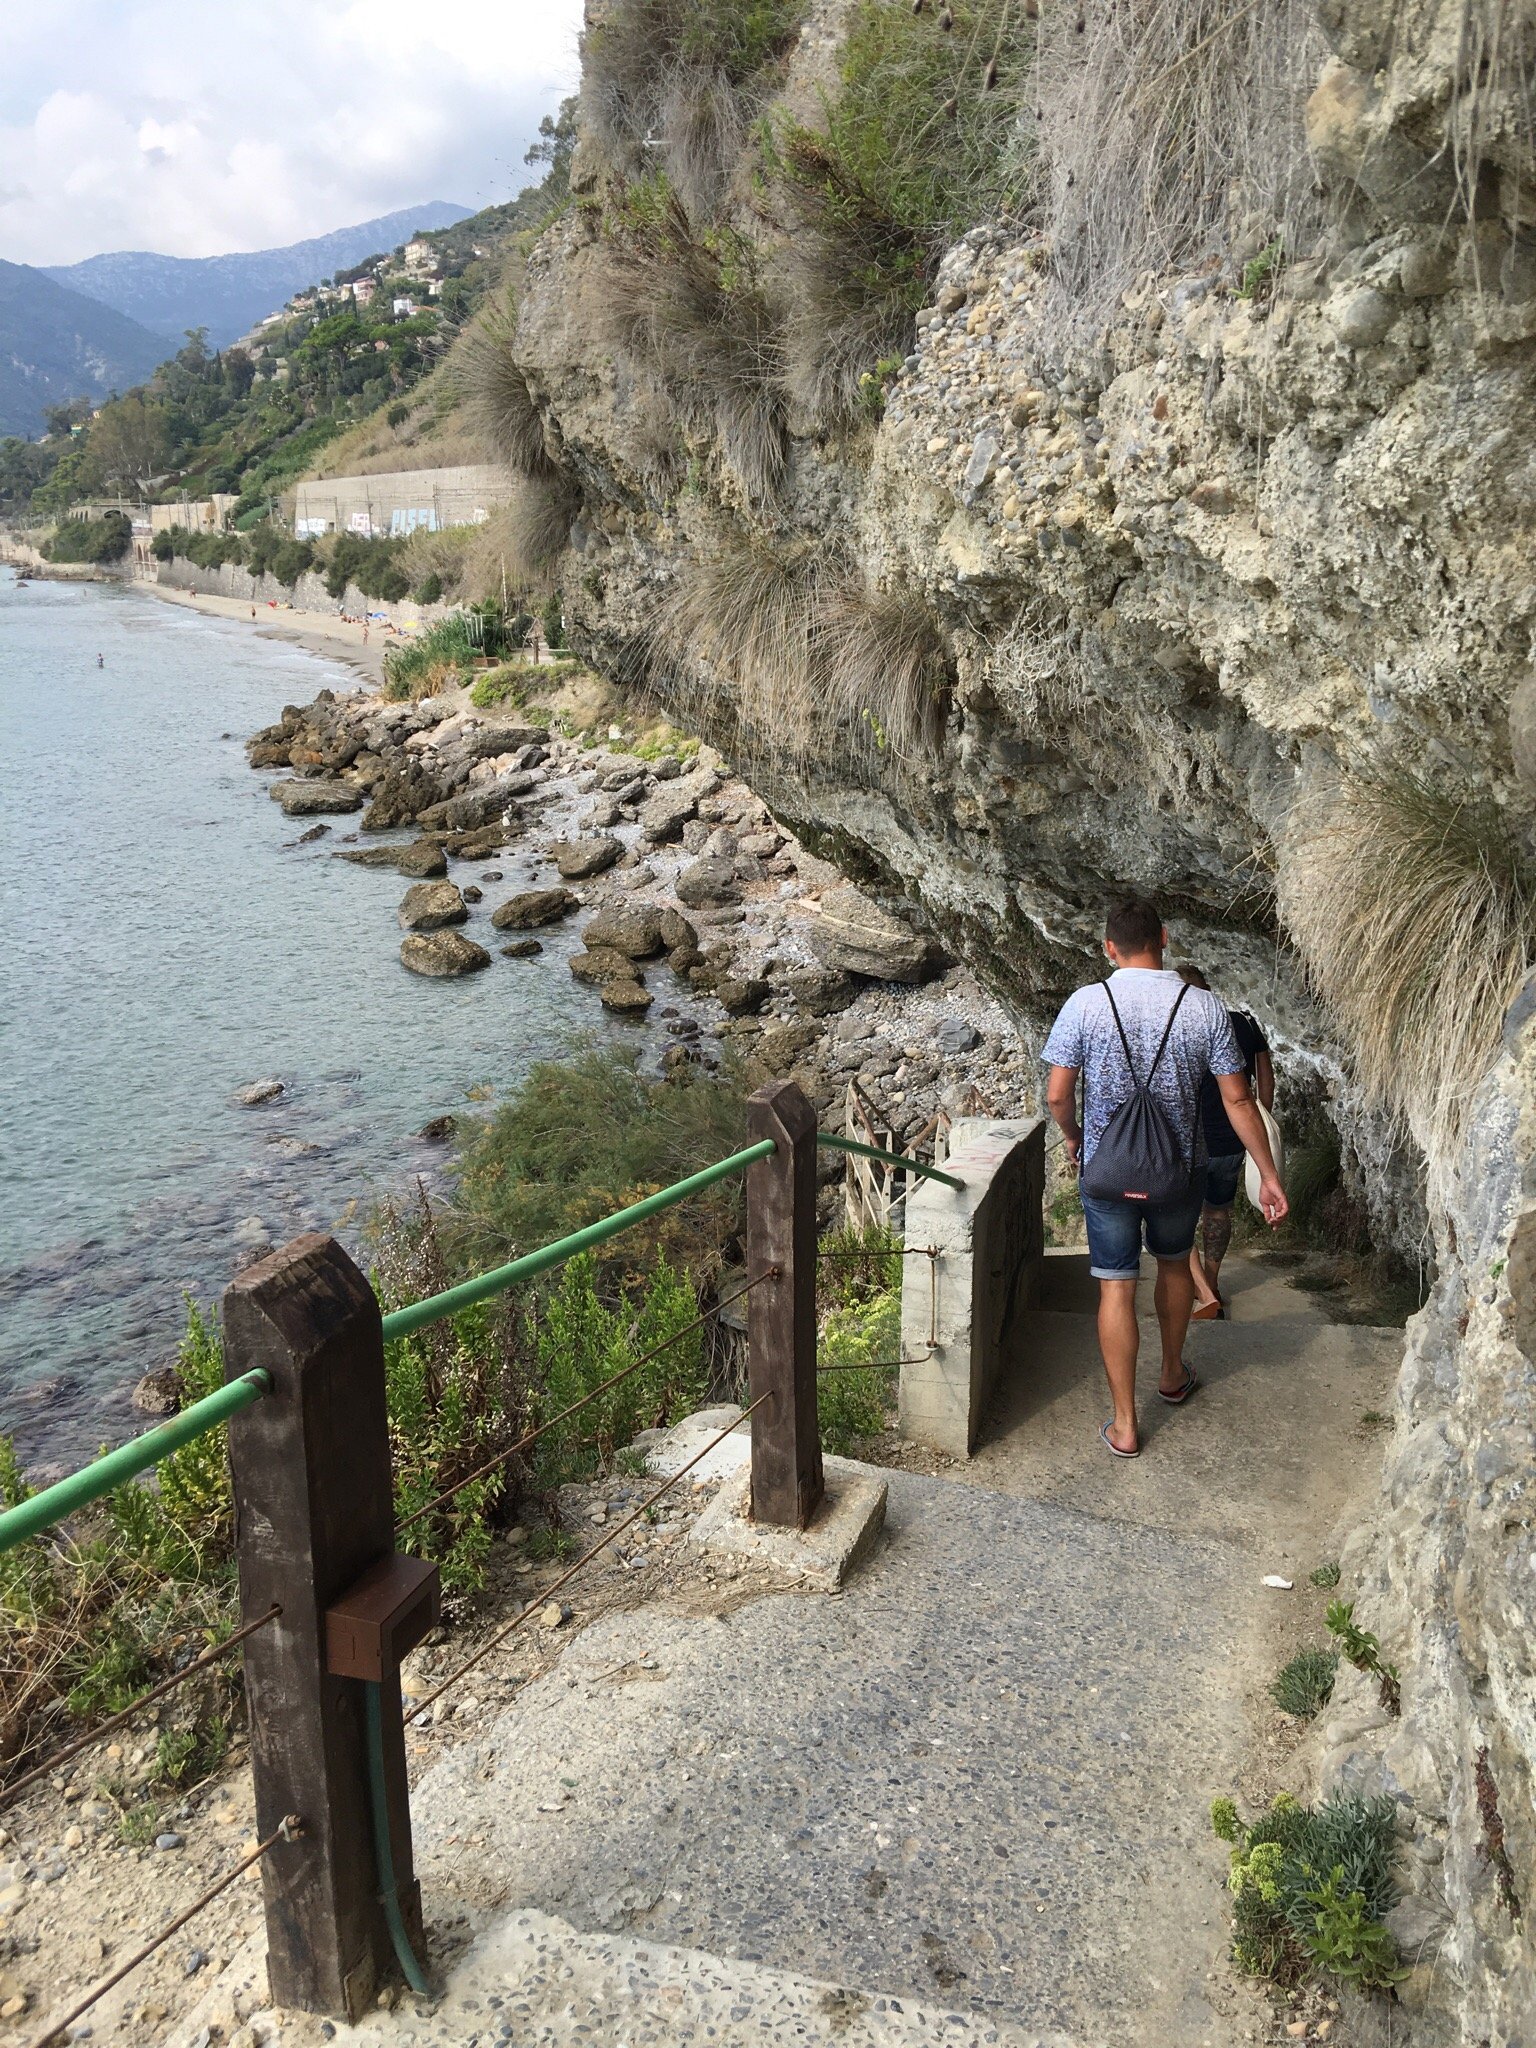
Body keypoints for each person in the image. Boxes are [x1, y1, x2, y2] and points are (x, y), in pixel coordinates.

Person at [1043, 898, 1288, 1459]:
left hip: (1107, 1173)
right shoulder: (1203, 1006)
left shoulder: (1086, 1003)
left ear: (1109, 947)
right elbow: (1238, 1099)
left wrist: (1075, 1136)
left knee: (1115, 1285)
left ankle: (1126, 1425)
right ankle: (1173, 1373)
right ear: (1165, 938)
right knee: (1175, 1265)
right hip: (1179, 1172)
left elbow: (1058, 1095)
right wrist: (1268, 1174)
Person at [1176, 966, 1274, 1318]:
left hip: (1187, 1144)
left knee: (1176, 1215)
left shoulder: (1176, 1027)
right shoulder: (1243, 1023)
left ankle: (1202, 1291)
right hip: (1232, 1140)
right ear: (1209, 989)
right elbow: (1265, 1080)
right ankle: (1213, 1282)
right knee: (1218, 1210)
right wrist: (1259, 1124)